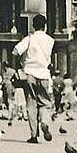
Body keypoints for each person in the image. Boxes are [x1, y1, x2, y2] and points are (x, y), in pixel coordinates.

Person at [12, 13, 54, 143]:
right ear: (45, 26)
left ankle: (34, 135)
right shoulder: (50, 40)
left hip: (30, 74)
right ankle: (45, 123)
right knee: (45, 103)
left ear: (33, 26)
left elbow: (15, 51)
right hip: (44, 74)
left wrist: (23, 61)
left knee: (31, 104)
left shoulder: (29, 39)